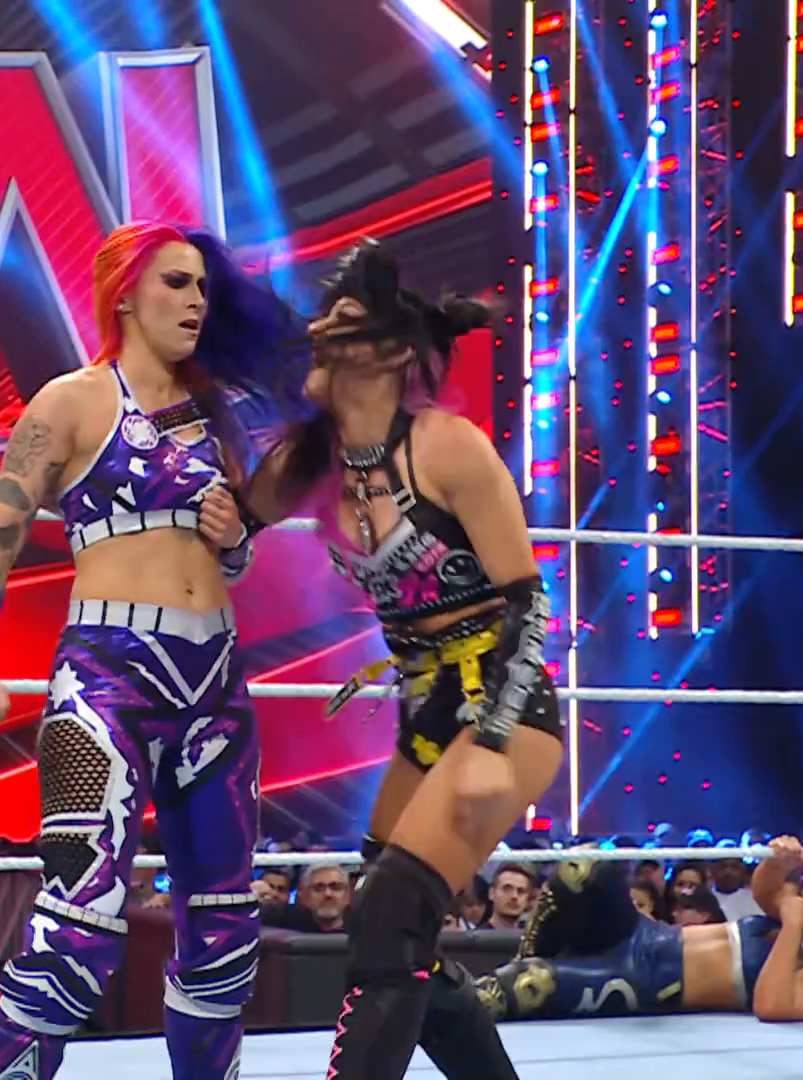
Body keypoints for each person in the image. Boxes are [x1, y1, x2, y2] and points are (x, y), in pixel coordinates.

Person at [0, 221, 308, 1080]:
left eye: (203, 287)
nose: (196, 302)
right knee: (77, 926)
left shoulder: (214, 414)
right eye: (177, 283)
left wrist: (235, 538)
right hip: (107, 680)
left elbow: (229, 559)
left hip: (214, 684)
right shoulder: (70, 402)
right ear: (125, 294)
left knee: (224, 934)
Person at [234, 239, 564, 1080]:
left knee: (389, 916)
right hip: (424, 711)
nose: (319, 334)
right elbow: (229, 522)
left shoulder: (447, 446)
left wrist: (491, 745)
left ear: (387, 352)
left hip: (504, 706)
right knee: (392, 928)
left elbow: (528, 602)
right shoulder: (308, 461)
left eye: (341, 321)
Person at [474, 837, 803, 1023]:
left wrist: (793, 923)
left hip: (646, 979)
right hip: (647, 932)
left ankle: (477, 991)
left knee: (526, 987)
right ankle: (524, 958)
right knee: (585, 865)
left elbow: (771, 1006)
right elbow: (767, 892)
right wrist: (779, 863)